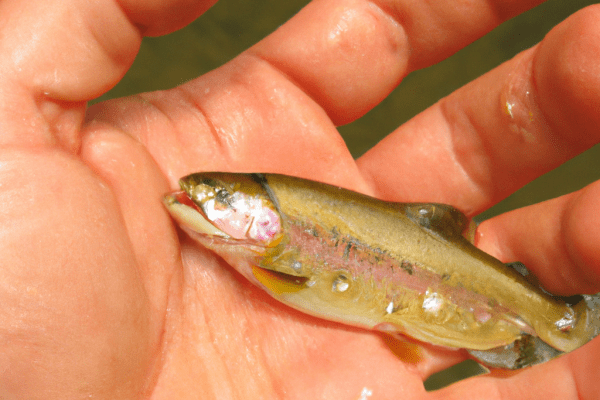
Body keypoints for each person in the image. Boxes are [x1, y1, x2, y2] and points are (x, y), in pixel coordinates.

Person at [0, 0, 598, 398]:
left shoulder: (277, 259)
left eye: (218, 197)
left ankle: (565, 321)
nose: (194, 200)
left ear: (263, 217)